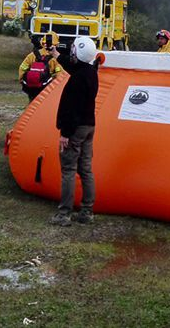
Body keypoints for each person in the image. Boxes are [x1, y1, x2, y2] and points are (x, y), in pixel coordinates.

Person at [51, 36, 100, 226]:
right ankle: (87, 211)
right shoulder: (90, 72)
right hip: (89, 126)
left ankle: (64, 214)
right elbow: (74, 66)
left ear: (78, 53)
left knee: (68, 170)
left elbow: (72, 110)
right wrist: (57, 55)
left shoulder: (77, 80)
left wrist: (65, 133)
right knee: (86, 169)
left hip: (75, 129)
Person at [19, 31, 63, 101]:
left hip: (31, 86)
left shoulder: (32, 55)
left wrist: (22, 80)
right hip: (47, 87)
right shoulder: (56, 58)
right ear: (56, 45)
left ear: (42, 42)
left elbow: (22, 67)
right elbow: (60, 73)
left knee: (32, 104)